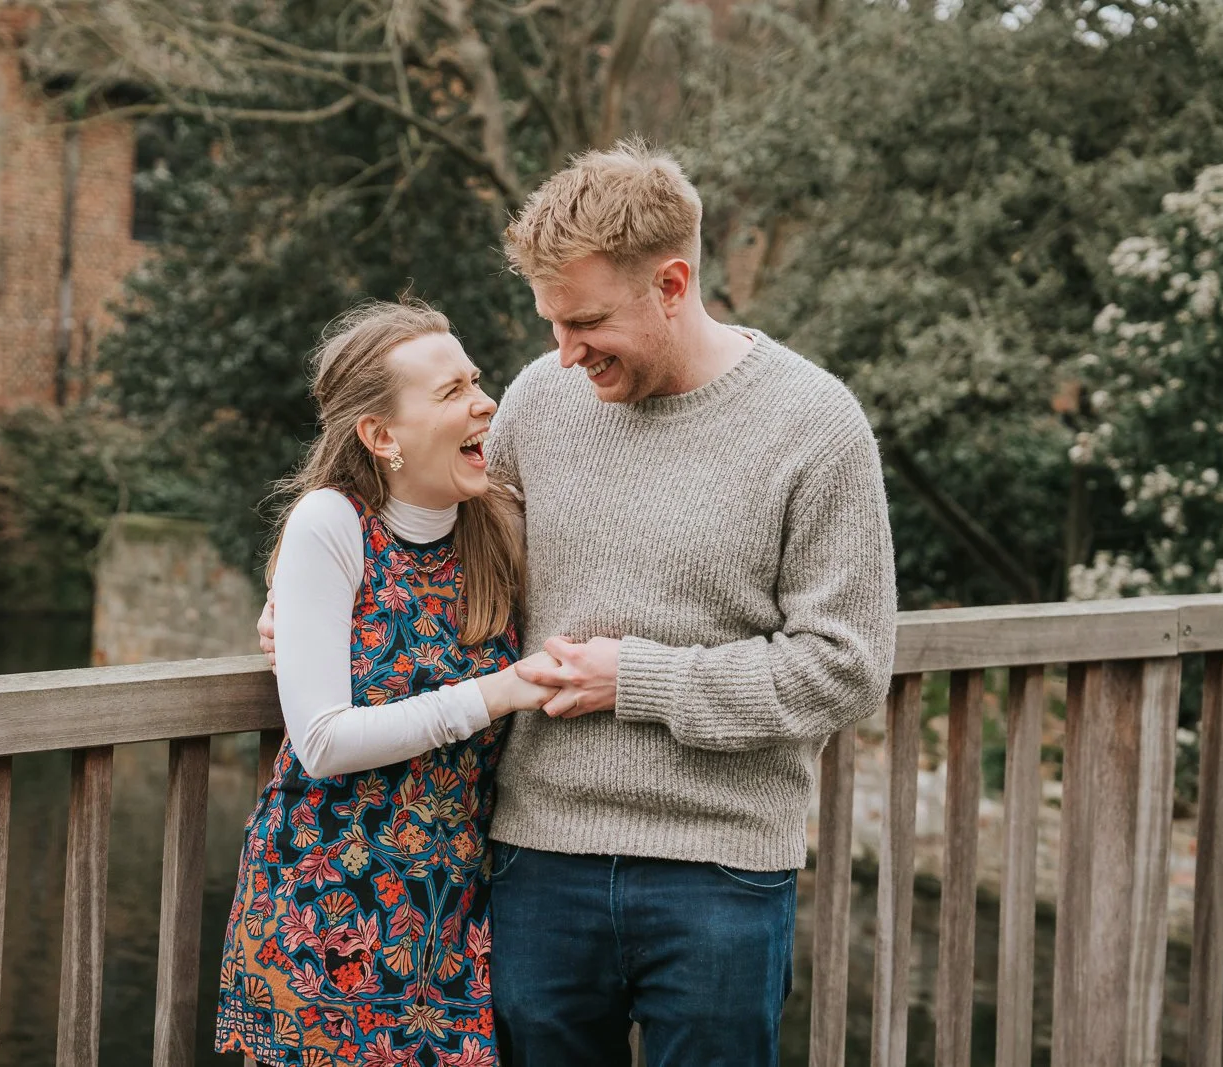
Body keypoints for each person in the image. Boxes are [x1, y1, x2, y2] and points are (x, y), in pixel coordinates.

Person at [262, 141, 897, 1067]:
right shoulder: (538, 402)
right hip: (536, 860)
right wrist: (310, 596)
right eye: (550, 322)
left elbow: (846, 668)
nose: (562, 353)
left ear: (672, 283)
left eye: (588, 320)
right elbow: (443, 543)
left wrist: (636, 679)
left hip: (721, 872)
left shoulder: (816, 427)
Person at [215, 299, 555, 1067]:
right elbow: (324, 740)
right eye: (449, 392)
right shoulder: (330, 525)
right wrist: (496, 692)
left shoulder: (497, 526)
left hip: (453, 913)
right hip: (329, 913)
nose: (483, 401)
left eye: (474, 379)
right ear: (380, 436)